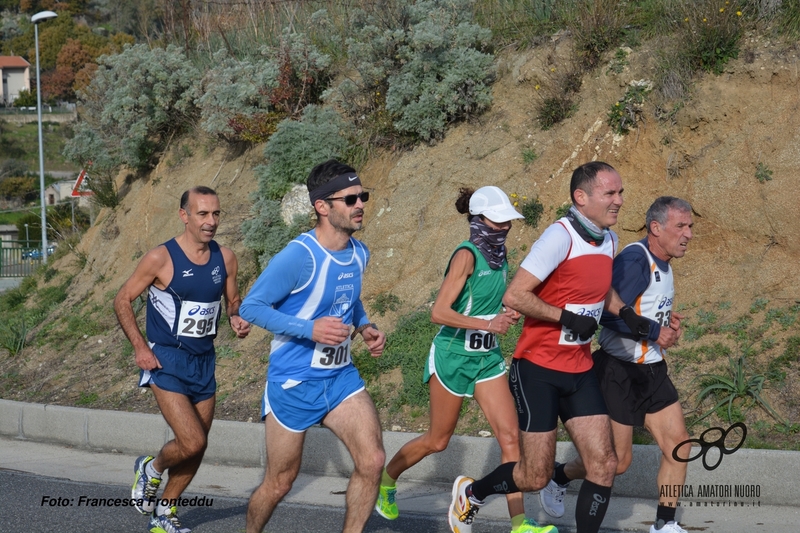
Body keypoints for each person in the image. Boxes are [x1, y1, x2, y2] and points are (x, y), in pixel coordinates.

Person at [449, 161, 653, 533]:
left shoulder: (609, 238)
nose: (619, 200)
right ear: (581, 197)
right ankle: (473, 492)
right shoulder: (559, 237)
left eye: (620, 192)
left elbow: (598, 286)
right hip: (538, 370)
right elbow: (516, 295)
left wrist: (624, 310)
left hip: (579, 369)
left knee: (604, 464)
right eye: (610, 193)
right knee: (534, 475)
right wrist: (566, 319)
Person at [376, 187, 555, 533]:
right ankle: (385, 479)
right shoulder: (466, 254)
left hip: (486, 358)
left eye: (508, 221)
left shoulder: (500, 255)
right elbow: (439, 312)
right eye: (498, 220)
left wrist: (505, 311)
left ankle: (519, 524)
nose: (504, 227)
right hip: (452, 357)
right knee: (437, 440)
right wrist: (488, 322)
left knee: (509, 439)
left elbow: (486, 300)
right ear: (479, 220)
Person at [239, 159, 387, 533]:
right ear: (322, 206)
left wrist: (365, 325)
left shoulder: (360, 253)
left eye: (362, 196)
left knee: (372, 461)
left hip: (340, 378)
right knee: (280, 482)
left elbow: (348, 300)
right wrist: (309, 329)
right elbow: (251, 307)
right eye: (350, 198)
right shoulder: (298, 256)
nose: (360, 204)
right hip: (294, 382)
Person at [538, 196, 694, 533]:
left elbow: (644, 312)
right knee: (618, 462)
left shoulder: (663, 262)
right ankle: (559, 475)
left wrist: (667, 326)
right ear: (656, 227)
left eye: (690, 226)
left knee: (679, 446)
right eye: (681, 226)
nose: (688, 234)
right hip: (618, 372)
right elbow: (607, 316)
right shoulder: (635, 260)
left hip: (651, 371)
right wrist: (656, 331)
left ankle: (664, 525)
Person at [114, 186, 251, 533]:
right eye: (203, 214)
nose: (211, 221)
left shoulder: (226, 257)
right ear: (184, 215)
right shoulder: (162, 257)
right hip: (167, 360)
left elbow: (232, 298)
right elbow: (122, 299)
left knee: (196, 448)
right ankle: (152, 469)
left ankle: (164, 515)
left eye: (216, 213)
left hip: (204, 361)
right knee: (192, 440)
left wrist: (235, 315)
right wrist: (140, 348)